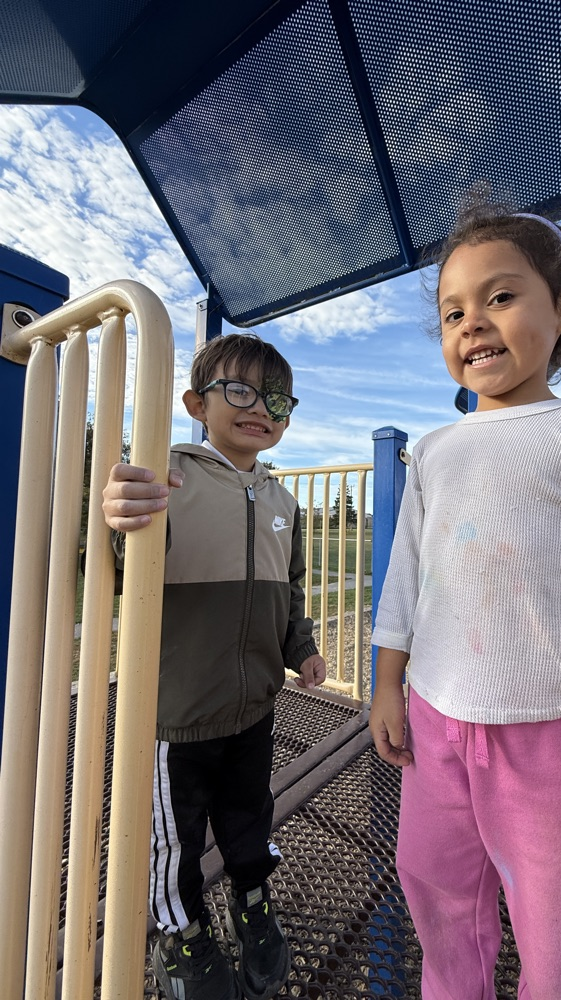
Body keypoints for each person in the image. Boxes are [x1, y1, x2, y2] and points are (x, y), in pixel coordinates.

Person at [369, 191, 561, 1000]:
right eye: (453, 313)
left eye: (501, 297)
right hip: (436, 724)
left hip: (552, 737)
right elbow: (407, 575)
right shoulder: (438, 450)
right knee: (436, 888)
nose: (472, 323)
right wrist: (385, 682)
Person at [102, 333, 326, 1000]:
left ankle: (253, 901)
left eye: (277, 399)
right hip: (178, 710)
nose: (261, 407)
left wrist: (302, 649)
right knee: (175, 840)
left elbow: (291, 591)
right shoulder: (166, 472)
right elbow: (117, 563)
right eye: (241, 390)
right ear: (197, 401)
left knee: (249, 817)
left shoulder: (284, 503)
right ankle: (181, 931)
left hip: (255, 707)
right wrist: (119, 516)